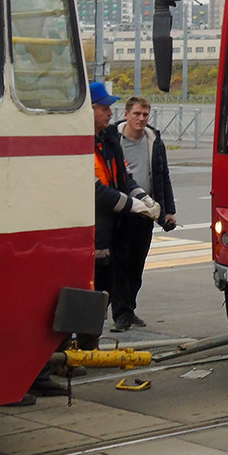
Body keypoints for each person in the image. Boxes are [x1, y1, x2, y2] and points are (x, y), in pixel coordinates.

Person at [90, 83, 160, 332]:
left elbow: (124, 178)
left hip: (112, 227)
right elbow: (95, 190)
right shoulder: (80, 143)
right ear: (90, 109)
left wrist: (144, 199)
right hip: (95, 228)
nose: (110, 113)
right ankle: (87, 338)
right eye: (105, 108)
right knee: (94, 285)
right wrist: (132, 205)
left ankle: (98, 332)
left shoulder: (109, 139)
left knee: (111, 280)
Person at [111, 96, 178, 332]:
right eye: (137, 114)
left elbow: (163, 176)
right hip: (120, 211)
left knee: (136, 265)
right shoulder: (113, 139)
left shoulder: (153, 141)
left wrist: (168, 211)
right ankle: (121, 314)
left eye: (145, 114)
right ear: (126, 114)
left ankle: (129, 309)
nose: (141, 119)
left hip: (146, 213)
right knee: (119, 264)